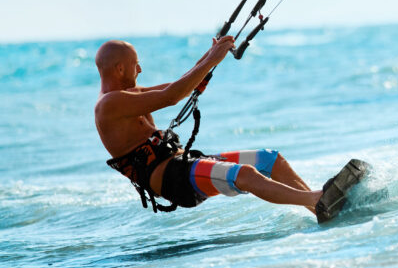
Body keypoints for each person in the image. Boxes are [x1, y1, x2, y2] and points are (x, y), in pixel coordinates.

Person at [94, 36, 367, 223]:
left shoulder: (127, 93)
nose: (140, 69)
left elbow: (175, 84)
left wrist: (209, 57)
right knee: (244, 174)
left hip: (184, 164)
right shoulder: (109, 104)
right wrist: (211, 59)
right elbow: (172, 96)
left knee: (270, 159)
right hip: (172, 180)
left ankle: (320, 210)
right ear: (120, 68)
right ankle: (318, 198)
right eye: (135, 64)